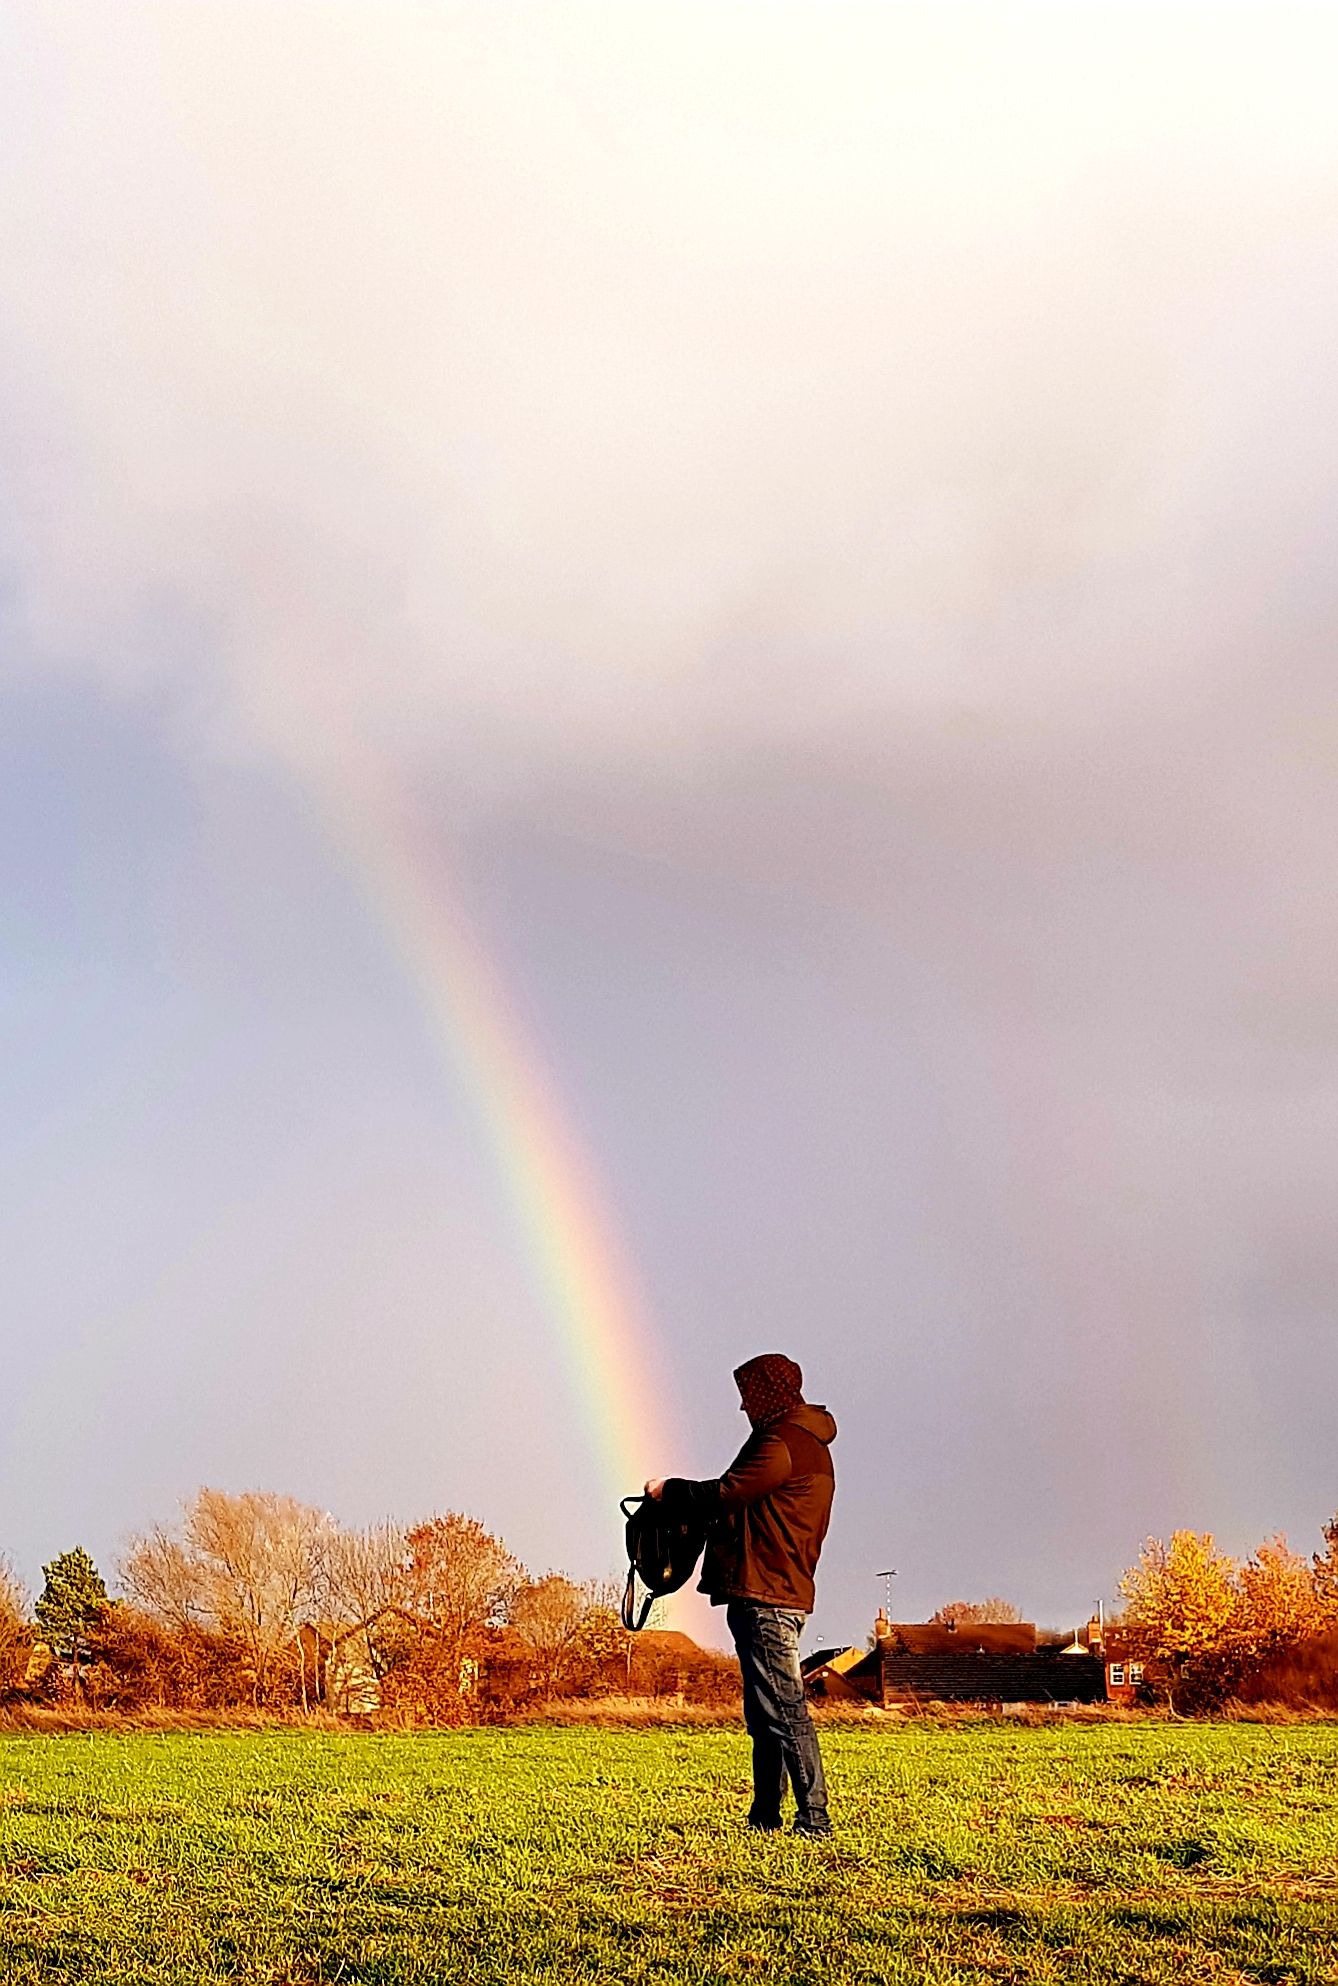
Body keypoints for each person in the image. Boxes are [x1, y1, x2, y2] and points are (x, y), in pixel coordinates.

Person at [646, 1353, 836, 1837]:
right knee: (766, 1710)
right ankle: (765, 1816)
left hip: (765, 1593)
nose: (742, 1408)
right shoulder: (809, 1443)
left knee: (783, 1707)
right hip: (781, 1590)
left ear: (767, 1394)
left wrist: (668, 1490)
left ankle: (813, 1819)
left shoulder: (779, 1442)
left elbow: (725, 1494)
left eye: (746, 1396)